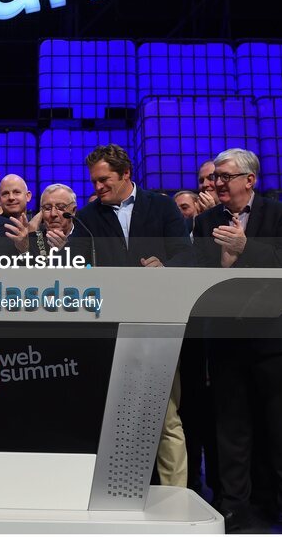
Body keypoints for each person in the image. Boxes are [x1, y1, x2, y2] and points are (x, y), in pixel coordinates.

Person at [192, 149, 282, 533]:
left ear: (250, 179)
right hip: (226, 337)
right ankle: (233, 508)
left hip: (273, 337)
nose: (217, 183)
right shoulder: (205, 220)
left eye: (225, 176)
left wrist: (245, 249)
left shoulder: (278, 214)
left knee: (280, 429)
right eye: (215, 177)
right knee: (231, 430)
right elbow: (199, 272)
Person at [69, 144, 193, 488]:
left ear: (126, 174)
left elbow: (186, 254)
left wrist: (164, 266)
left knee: (165, 417)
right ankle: (118, 493)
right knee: (113, 417)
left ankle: (175, 496)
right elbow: (77, 264)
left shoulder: (162, 206)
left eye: (104, 180)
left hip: (158, 324)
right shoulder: (88, 217)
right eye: (94, 182)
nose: (97, 188)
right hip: (108, 329)